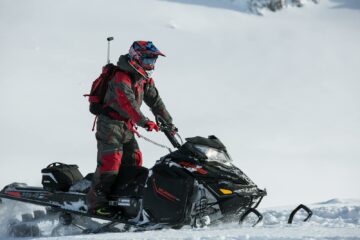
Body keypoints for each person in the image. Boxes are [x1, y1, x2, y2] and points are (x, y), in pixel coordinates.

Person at [86, 41, 176, 216]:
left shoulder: (143, 79)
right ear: (136, 58)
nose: (151, 64)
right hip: (110, 125)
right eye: (148, 59)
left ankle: (123, 199)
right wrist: (144, 122)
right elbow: (128, 104)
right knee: (110, 164)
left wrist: (169, 123)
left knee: (134, 161)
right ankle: (96, 204)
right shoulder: (121, 77)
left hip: (126, 126)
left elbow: (156, 102)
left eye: (153, 61)